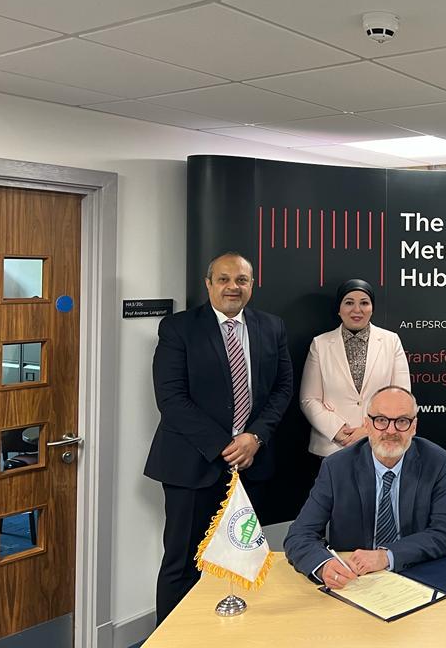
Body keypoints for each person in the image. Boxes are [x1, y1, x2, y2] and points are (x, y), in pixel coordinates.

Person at [145, 252, 293, 624]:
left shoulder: (271, 326)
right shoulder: (178, 328)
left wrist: (254, 437)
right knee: (182, 562)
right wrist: (226, 446)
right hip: (192, 466)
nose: (232, 287)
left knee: (243, 560)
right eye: (224, 279)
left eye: (241, 280)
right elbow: (171, 398)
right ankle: (173, 640)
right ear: (208, 284)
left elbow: (282, 389)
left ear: (251, 285)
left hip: (252, 466)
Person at [284, 386, 446, 588]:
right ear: (367, 425)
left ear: (414, 426)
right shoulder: (336, 467)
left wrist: (387, 556)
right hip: (354, 580)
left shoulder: (436, 462)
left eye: (402, 421)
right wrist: (324, 566)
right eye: (381, 420)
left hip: (417, 575)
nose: (391, 431)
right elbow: (299, 535)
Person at [299, 278, 410, 456]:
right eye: (349, 303)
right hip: (332, 448)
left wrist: (368, 430)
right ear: (339, 308)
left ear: (372, 308)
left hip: (380, 444)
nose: (357, 310)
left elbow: (401, 397)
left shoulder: (391, 341)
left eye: (364, 303)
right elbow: (309, 399)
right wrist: (338, 431)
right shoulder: (320, 344)